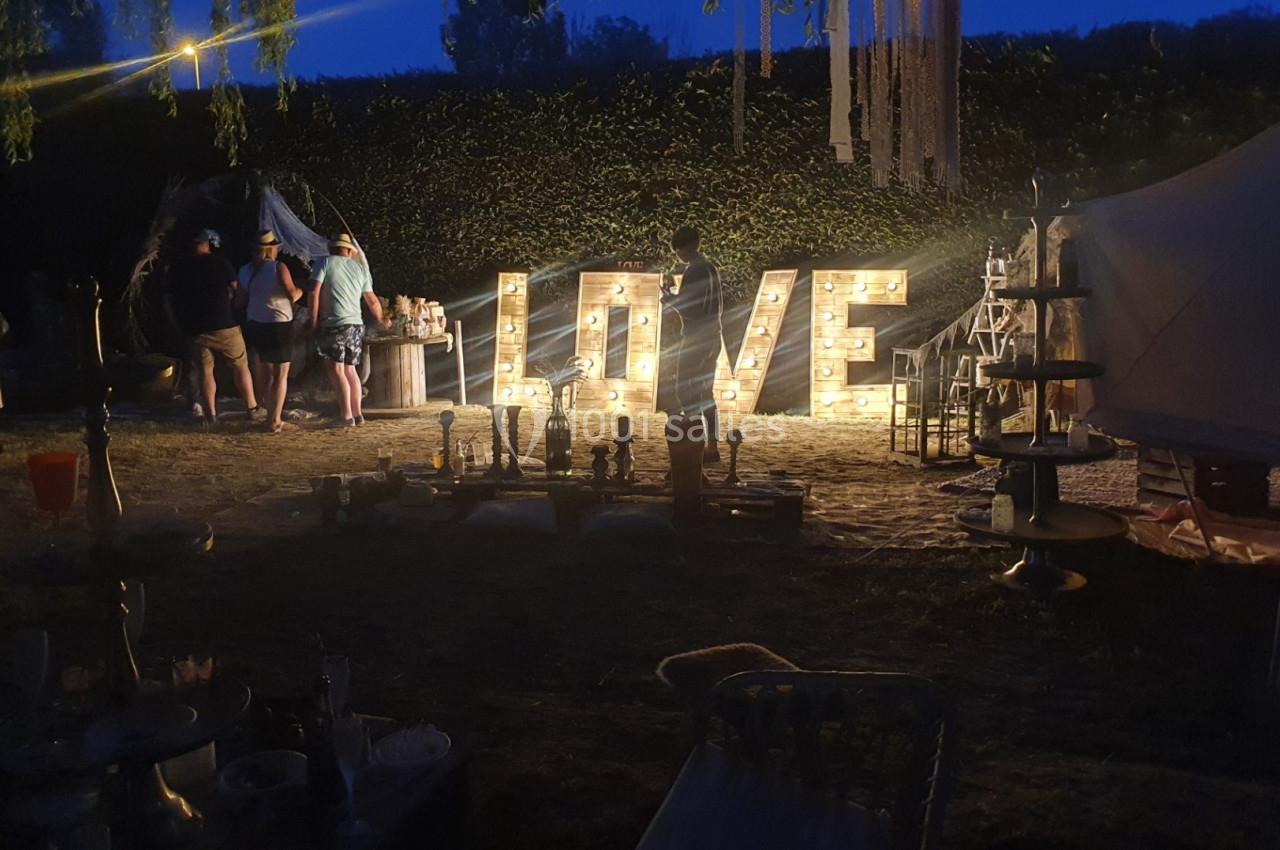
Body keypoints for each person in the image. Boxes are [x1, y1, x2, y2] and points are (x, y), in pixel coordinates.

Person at [165, 229, 263, 424]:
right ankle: (252, 408)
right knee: (240, 366)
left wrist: (177, 324)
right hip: (223, 324)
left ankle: (210, 415)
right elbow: (235, 289)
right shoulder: (220, 262)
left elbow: (167, 299)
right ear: (209, 243)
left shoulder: (178, 266)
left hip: (195, 327)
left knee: (205, 371)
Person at [308, 233, 389, 427]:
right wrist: (382, 320)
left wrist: (312, 321)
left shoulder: (324, 262)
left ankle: (346, 416)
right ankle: (357, 414)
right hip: (355, 325)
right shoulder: (359, 269)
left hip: (334, 324)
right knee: (350, 370)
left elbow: (313, 291)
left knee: (336, 370)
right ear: (348, 250)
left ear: (333, 249)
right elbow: (372, 300)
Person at [664, 225, 725, 463]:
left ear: (683, 248)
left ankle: (694, 441)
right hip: (713, 335)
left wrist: (671, 300)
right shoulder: (711, 268)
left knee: (683, 388)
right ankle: (712, 445)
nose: (677, 255)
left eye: (677, 250)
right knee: (706, 392)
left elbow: (691, 309)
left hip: (696, 337)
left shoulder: (693, 271)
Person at [236, 229, 302, 433]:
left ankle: (265, 410)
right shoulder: (278, 268)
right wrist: (302, 289)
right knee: (281, 374)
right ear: (272, 250)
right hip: (279, 324)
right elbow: (292, 295)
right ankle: (275, 420)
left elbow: (239, 301)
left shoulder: (245, 270)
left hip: (255, 323)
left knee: (265, 372)